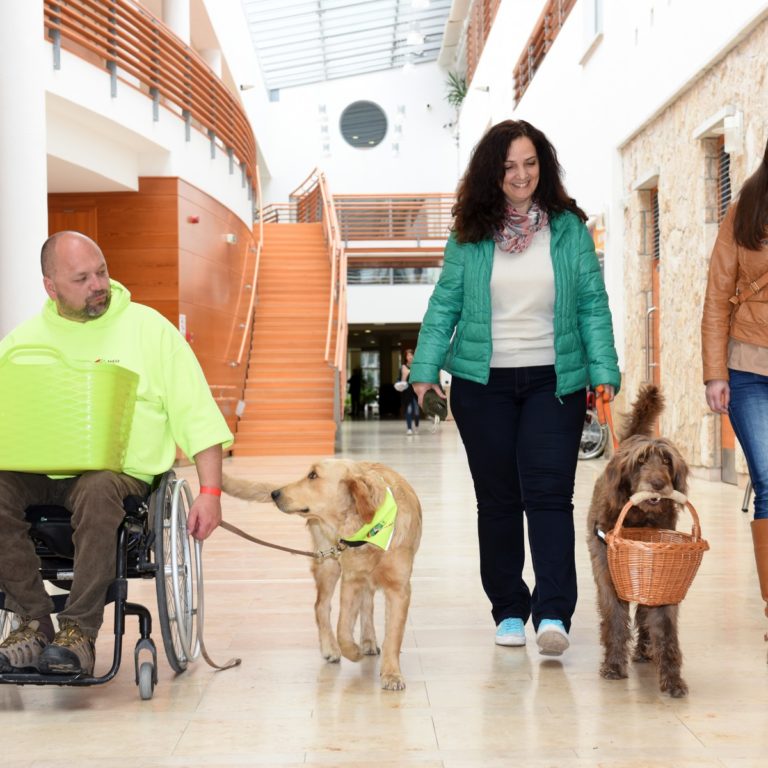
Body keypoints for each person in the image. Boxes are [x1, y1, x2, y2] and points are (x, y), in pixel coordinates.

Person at [409, 120, 620, 655]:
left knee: (550, 496)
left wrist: (603, 370)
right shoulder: (470, 233)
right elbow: (445, 304)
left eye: (529, 163)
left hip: (555, 380)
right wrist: (425, 370)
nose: (521, 174)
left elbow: (593, 304)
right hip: (484, 385)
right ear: (492, 173)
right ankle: (508, 609)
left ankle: (553, 614)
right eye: (508, 166)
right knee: (498, 500)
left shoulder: (569, 228)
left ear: (542, 165)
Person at [0, 231, 233, 676]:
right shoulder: (22, 343)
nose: (98, 284)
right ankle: (31, 624)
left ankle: (79, 634)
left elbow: (196, 413)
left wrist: (210, 491)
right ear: (51, 287)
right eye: (82, 277)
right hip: (39, 473)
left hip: (118, 476)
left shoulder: (150, 330)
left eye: (102, 271)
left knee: (98, 485)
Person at [702, 136, 768, 624]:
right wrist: (714, 373)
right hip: (749, 367)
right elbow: (717, 294)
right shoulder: (746, 210)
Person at [398, 348, 420, 435]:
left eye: (411, 355)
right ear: (406, 357)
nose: (410, 357)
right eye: (408, 355)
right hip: (407, 392)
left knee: (417, 412)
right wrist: (404, 374)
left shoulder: (417, 366)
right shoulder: (403, 367)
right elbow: (401, 381)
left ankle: (417, 426)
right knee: (409, 410)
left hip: (416, 392)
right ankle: (409, 428)